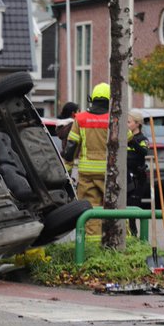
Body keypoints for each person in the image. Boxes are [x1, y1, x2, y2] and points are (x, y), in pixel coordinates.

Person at [62, 83, 110, 236]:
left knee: (91, 208)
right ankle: (119, 244)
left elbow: (71, 146)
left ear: (92, 99)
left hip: (87, 173)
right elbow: (128, 139)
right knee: (115, 208)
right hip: (110, 172)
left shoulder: (80, 118)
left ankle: (92, 246)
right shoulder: (115, 119)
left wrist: (67, 170)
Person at [126, 109, 149, 236]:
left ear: (137, 123)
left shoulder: (142, 139)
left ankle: (134, 235)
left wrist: (132, 141)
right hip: (126, 177)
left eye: (129, 122)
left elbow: (143, 152)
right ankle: (128, 235)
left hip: (137, 178)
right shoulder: (125, 138)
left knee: (133, 209)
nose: (127, 125)